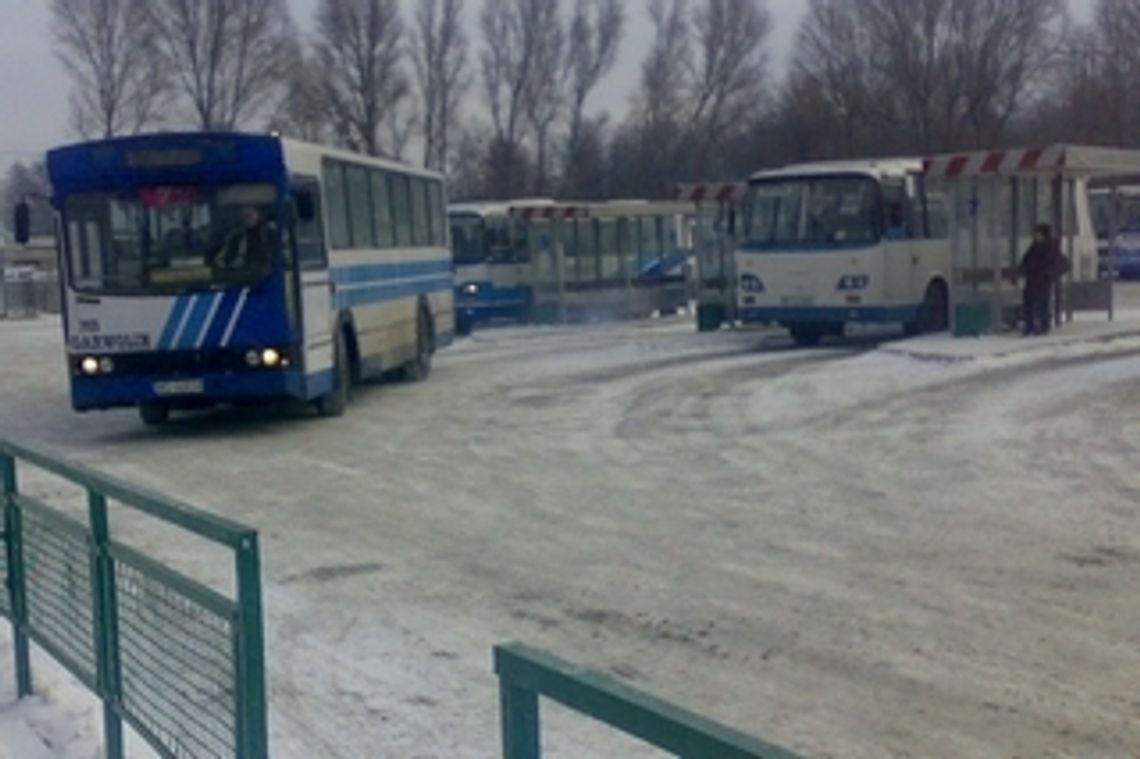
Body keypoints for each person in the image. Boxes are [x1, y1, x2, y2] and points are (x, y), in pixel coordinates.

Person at [1017, 223, 1066, 336]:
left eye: (1038, 234)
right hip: (1031, 280)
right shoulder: (1033, 247)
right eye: (1036, 234)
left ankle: (1043, 326)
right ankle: (1029, 326)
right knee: (1029, 302)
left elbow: (1061, 264)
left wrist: (1049, 274)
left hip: (1043, 281)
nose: (1036, 236)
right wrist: (1023, 269)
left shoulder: (1050, 248)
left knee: (1042, 303)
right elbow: (1026, 261)